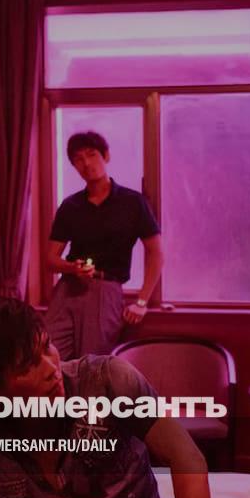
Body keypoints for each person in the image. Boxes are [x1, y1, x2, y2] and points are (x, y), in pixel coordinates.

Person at [0, 296, 210, 498]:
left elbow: (187, 457)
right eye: (28, 365)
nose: (50, 368)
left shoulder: (107, 381)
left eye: (47, 347)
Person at [45, 131, 164, 359]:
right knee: (47, 355)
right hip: (68, 287)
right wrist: (72, 268)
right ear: (74, 166)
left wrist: (142, 301)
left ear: (106, 156)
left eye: (92, 155)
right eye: (78, 159)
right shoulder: (70, 206)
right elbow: (50, 260)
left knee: (93, 364)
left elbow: (156, 252)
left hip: (106, 289)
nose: (86, 163)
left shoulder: (132, 202)